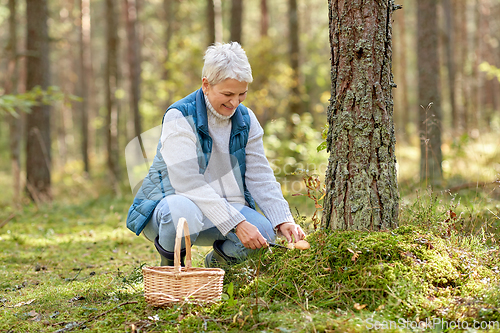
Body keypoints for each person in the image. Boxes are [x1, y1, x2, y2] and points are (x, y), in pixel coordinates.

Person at [126, 42, 305, 267]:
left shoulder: (246, 120)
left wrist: (283, 220)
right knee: (183, 211)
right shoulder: (179, 116)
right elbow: (187, 183)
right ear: (206, 85)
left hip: (218, 212)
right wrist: (237, 224)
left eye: (242, 94)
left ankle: (216, 269)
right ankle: (171, 270)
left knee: (264, 233)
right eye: (228, 94)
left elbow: (260, 175)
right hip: (169, 211)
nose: (235, 102)